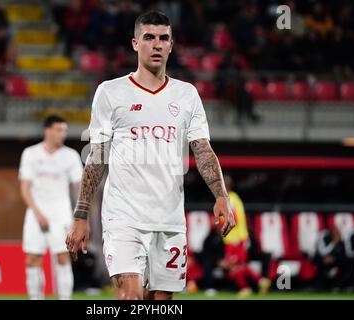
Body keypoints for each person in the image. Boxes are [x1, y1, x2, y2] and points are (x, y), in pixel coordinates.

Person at [66, 11, 235, 300]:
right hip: (123, 217)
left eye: (163, 38)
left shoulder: (186, 95)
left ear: (171, 45)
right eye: (149, 38)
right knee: (131, 297)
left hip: (169, 219)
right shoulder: (111, 92)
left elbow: (203, 149)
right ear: (135, 43)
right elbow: (97, 156)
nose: (156, 44)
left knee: (160, 301)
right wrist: (81, 215)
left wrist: (221, 195)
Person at [19, 115, 83, 300]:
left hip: (61, 214)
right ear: (47, 130)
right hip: (35, 214)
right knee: (32, 259)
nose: (62, 134)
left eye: (64, 130)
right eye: (59, 130)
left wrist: (79, 216)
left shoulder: (70, 156)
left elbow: (78, 189)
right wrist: (38, 214)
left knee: (63, 258)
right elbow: (25, 189)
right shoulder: (31, 154)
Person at [219, 175, 270, 297]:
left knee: (232, 268)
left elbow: (233, 219)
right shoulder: (234, 198)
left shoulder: (229, 200)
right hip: (236, 238)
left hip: (236, 239)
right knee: (239, 266)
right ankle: (260, 281)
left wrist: (219, 222)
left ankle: (247, 287)